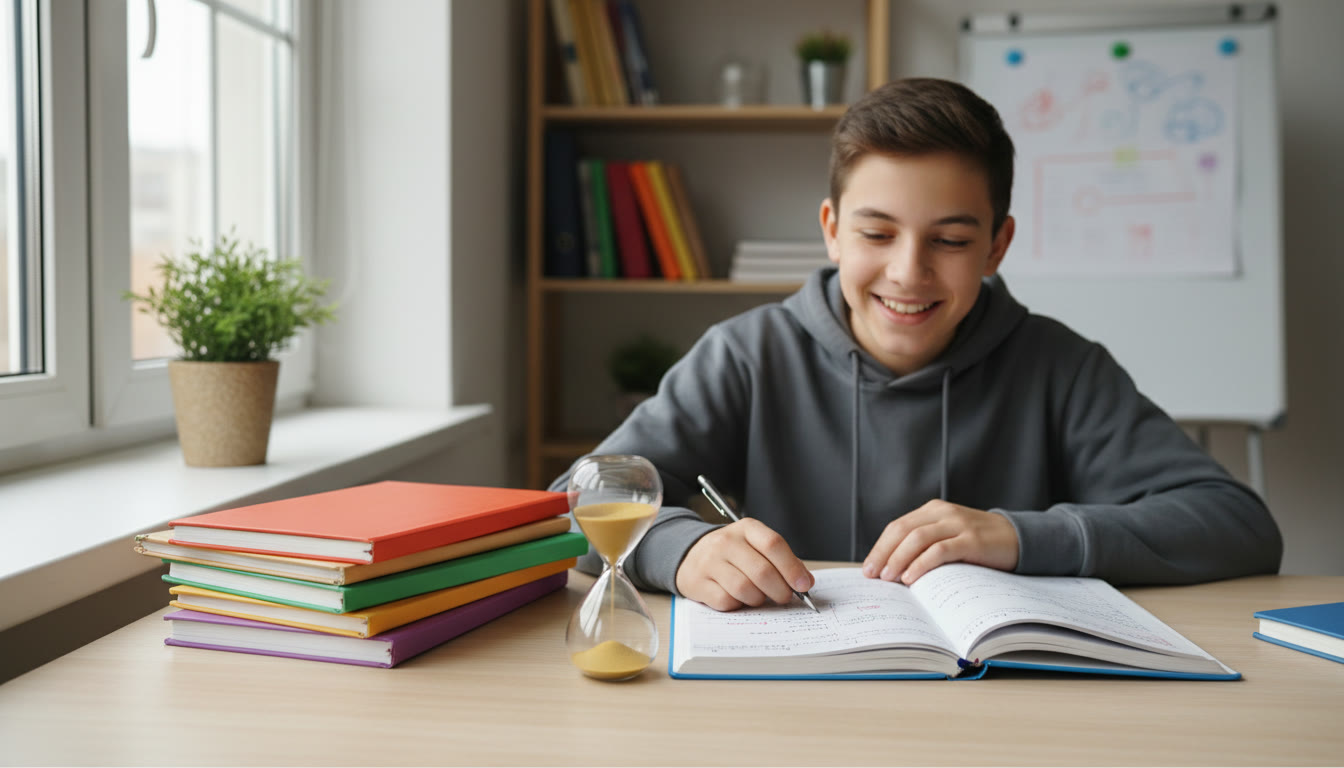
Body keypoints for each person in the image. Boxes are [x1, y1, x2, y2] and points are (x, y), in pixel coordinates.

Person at [550, 77, 1283, 612]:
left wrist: (1019, 538)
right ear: (832, 229)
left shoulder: (1059, 366)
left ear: (998, 245)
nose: (908, 272)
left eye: (952, 240)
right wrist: (683, 550)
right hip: (797, 695)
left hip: (1004, 705)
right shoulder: (748, 354)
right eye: (876, 234)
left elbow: (1237, 524)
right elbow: (572, 503)